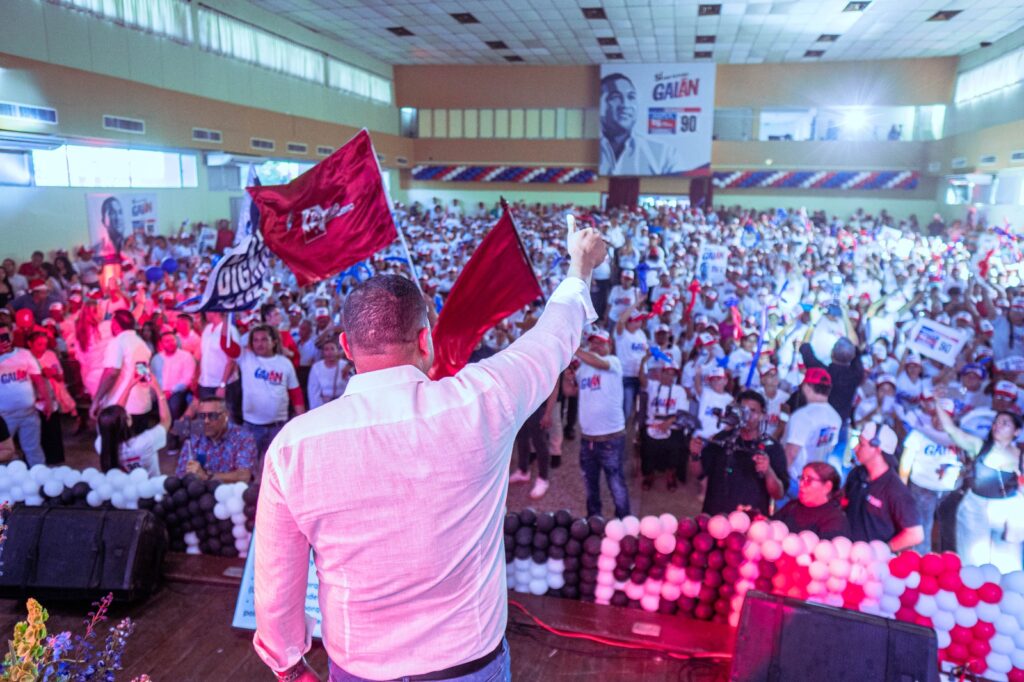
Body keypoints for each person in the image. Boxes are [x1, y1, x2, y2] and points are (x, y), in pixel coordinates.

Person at [252, 221, 605, 682]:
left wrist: (289, 665)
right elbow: (553, 337)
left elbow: (277, 578)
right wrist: (580, 265)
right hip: (468, 663)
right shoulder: (480, 401)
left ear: (345, 347)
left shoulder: (293, 447)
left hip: (360, 669)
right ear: (425, 340)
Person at [935, 402, 1024, 572]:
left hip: (1006, 509)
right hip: (975, 508)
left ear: (1016, 431)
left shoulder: (1020, 455)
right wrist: (937, 401)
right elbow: (952, 430)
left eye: (1005, 423)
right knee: (973, 560)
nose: (998, 426)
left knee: (1008, 562)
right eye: (996, 422)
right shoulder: (979, 446)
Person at [695, 390, 788, 516]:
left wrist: (768, 471)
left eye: (753, 411)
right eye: (743, 410)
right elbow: (699, 473)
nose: (747, 415)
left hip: (751, 520)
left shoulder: (772, 448)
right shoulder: (721, 439)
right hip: (715, 517)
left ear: (762, 415)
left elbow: (778, 494)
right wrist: (694, 455)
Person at [223, 323, 304, 462]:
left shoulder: (285, 363)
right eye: (255, 340)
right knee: (249, 465)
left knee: (277, 467)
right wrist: (226, 317)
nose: (259, 344)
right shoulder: (246, 358)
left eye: (264, 339)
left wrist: (302, 421)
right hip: (251, 426)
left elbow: (295, 394)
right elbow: (227, 345)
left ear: (274, 342)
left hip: (278, 426)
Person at [574, 327, 631, 519]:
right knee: (590, 485)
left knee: (616, 484)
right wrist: (566, 378)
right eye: (593, 342)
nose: (596, 345)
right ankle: (593, 523)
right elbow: (571, 392)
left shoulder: (613, 361)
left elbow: (599, 363)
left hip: (611, 438)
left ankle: (625, 523)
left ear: (609, 345)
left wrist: (574, 349)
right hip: (587, 438)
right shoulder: (583, 368)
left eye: (601, 342)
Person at [843, 423, 924, 551]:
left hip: (874, 566)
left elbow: (915, 534)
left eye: (861, 444)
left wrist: (883, 550)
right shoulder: (856, 475)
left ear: (877, 449)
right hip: (848, 553)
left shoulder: (895, 490)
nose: (855, 448)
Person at [598, 73, 684, 176]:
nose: (625, 105)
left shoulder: (665, 154)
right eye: (615, 97)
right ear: (599, 103)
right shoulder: (588, 148)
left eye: (631, 97)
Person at [781, 368, 842, 502]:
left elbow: (791, 452)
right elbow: (829, 449)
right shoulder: (836, 417)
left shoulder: (802, 416)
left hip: (796, 481)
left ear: (807, 387)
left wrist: (780, 478)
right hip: (817, 482)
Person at [95, 372, 172, 475]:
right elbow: (166, 421)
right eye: (127, 414)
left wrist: (129, 385)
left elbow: (115, 416)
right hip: (150, 489)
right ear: (127, 422)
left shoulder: (101, 444)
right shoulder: (145, 442)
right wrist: (158, 390)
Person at [90, 310, 153, 432]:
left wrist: (97, 400)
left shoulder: (117, 342)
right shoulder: (142, 343)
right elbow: (143, 375)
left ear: (115, 324)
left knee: (118, 449)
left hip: (122, 406)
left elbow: (112, 373)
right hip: (142, 404)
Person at [0, 322, 49, 466]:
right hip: (4, 417)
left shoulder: (25, 354)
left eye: (5, 335)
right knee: (6, 453)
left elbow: (38, 380)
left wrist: (48, 402)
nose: (3, 339)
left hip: (29, 413)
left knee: (33, 449)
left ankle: (41, 481)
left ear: (12, 334)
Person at [174, 397, 255, 483]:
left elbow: (244, 476)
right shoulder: (195, 436)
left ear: (226, 416)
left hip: (231, 491)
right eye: (202, 416)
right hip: (199, 490)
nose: (206, 421)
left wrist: (207, 476)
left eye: (212, 415)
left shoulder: (243, 437)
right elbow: (181, 472)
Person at [641, 364, 688, 491]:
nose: (669, 376)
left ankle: (671, 474)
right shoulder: (652, 386)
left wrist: (669, 422)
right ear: (660, 373)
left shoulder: (679, 390)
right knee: (647, 446)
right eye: (666, 373)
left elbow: (682, 412)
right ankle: (649, 474)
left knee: (675, 443)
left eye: (672, 374)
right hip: (653, 423)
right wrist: (643, 361)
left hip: (671, 424)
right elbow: (642, 379)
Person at [773, 461, 849, 539]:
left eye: (808, 480)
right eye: (802, 478)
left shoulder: (835, 520)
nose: (801, 484)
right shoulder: (792, 506)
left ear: (827, 487)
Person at [509, 383, 559, 500]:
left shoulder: (548, 364)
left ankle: (543, 478)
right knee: (521, 439)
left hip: (538, 406)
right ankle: (523, 471)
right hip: (522, 405)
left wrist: (548, 413)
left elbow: (555, 387)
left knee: (540, 442)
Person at [306, 338, 350, 410]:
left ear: (337, 351)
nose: (330, 352)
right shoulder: (316, 367)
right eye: (326, 349)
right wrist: (317, 410)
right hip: (324, 406)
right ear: (323, 352)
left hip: (343, 405)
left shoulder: (345, 366)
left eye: (332, 349)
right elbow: (313, 392)